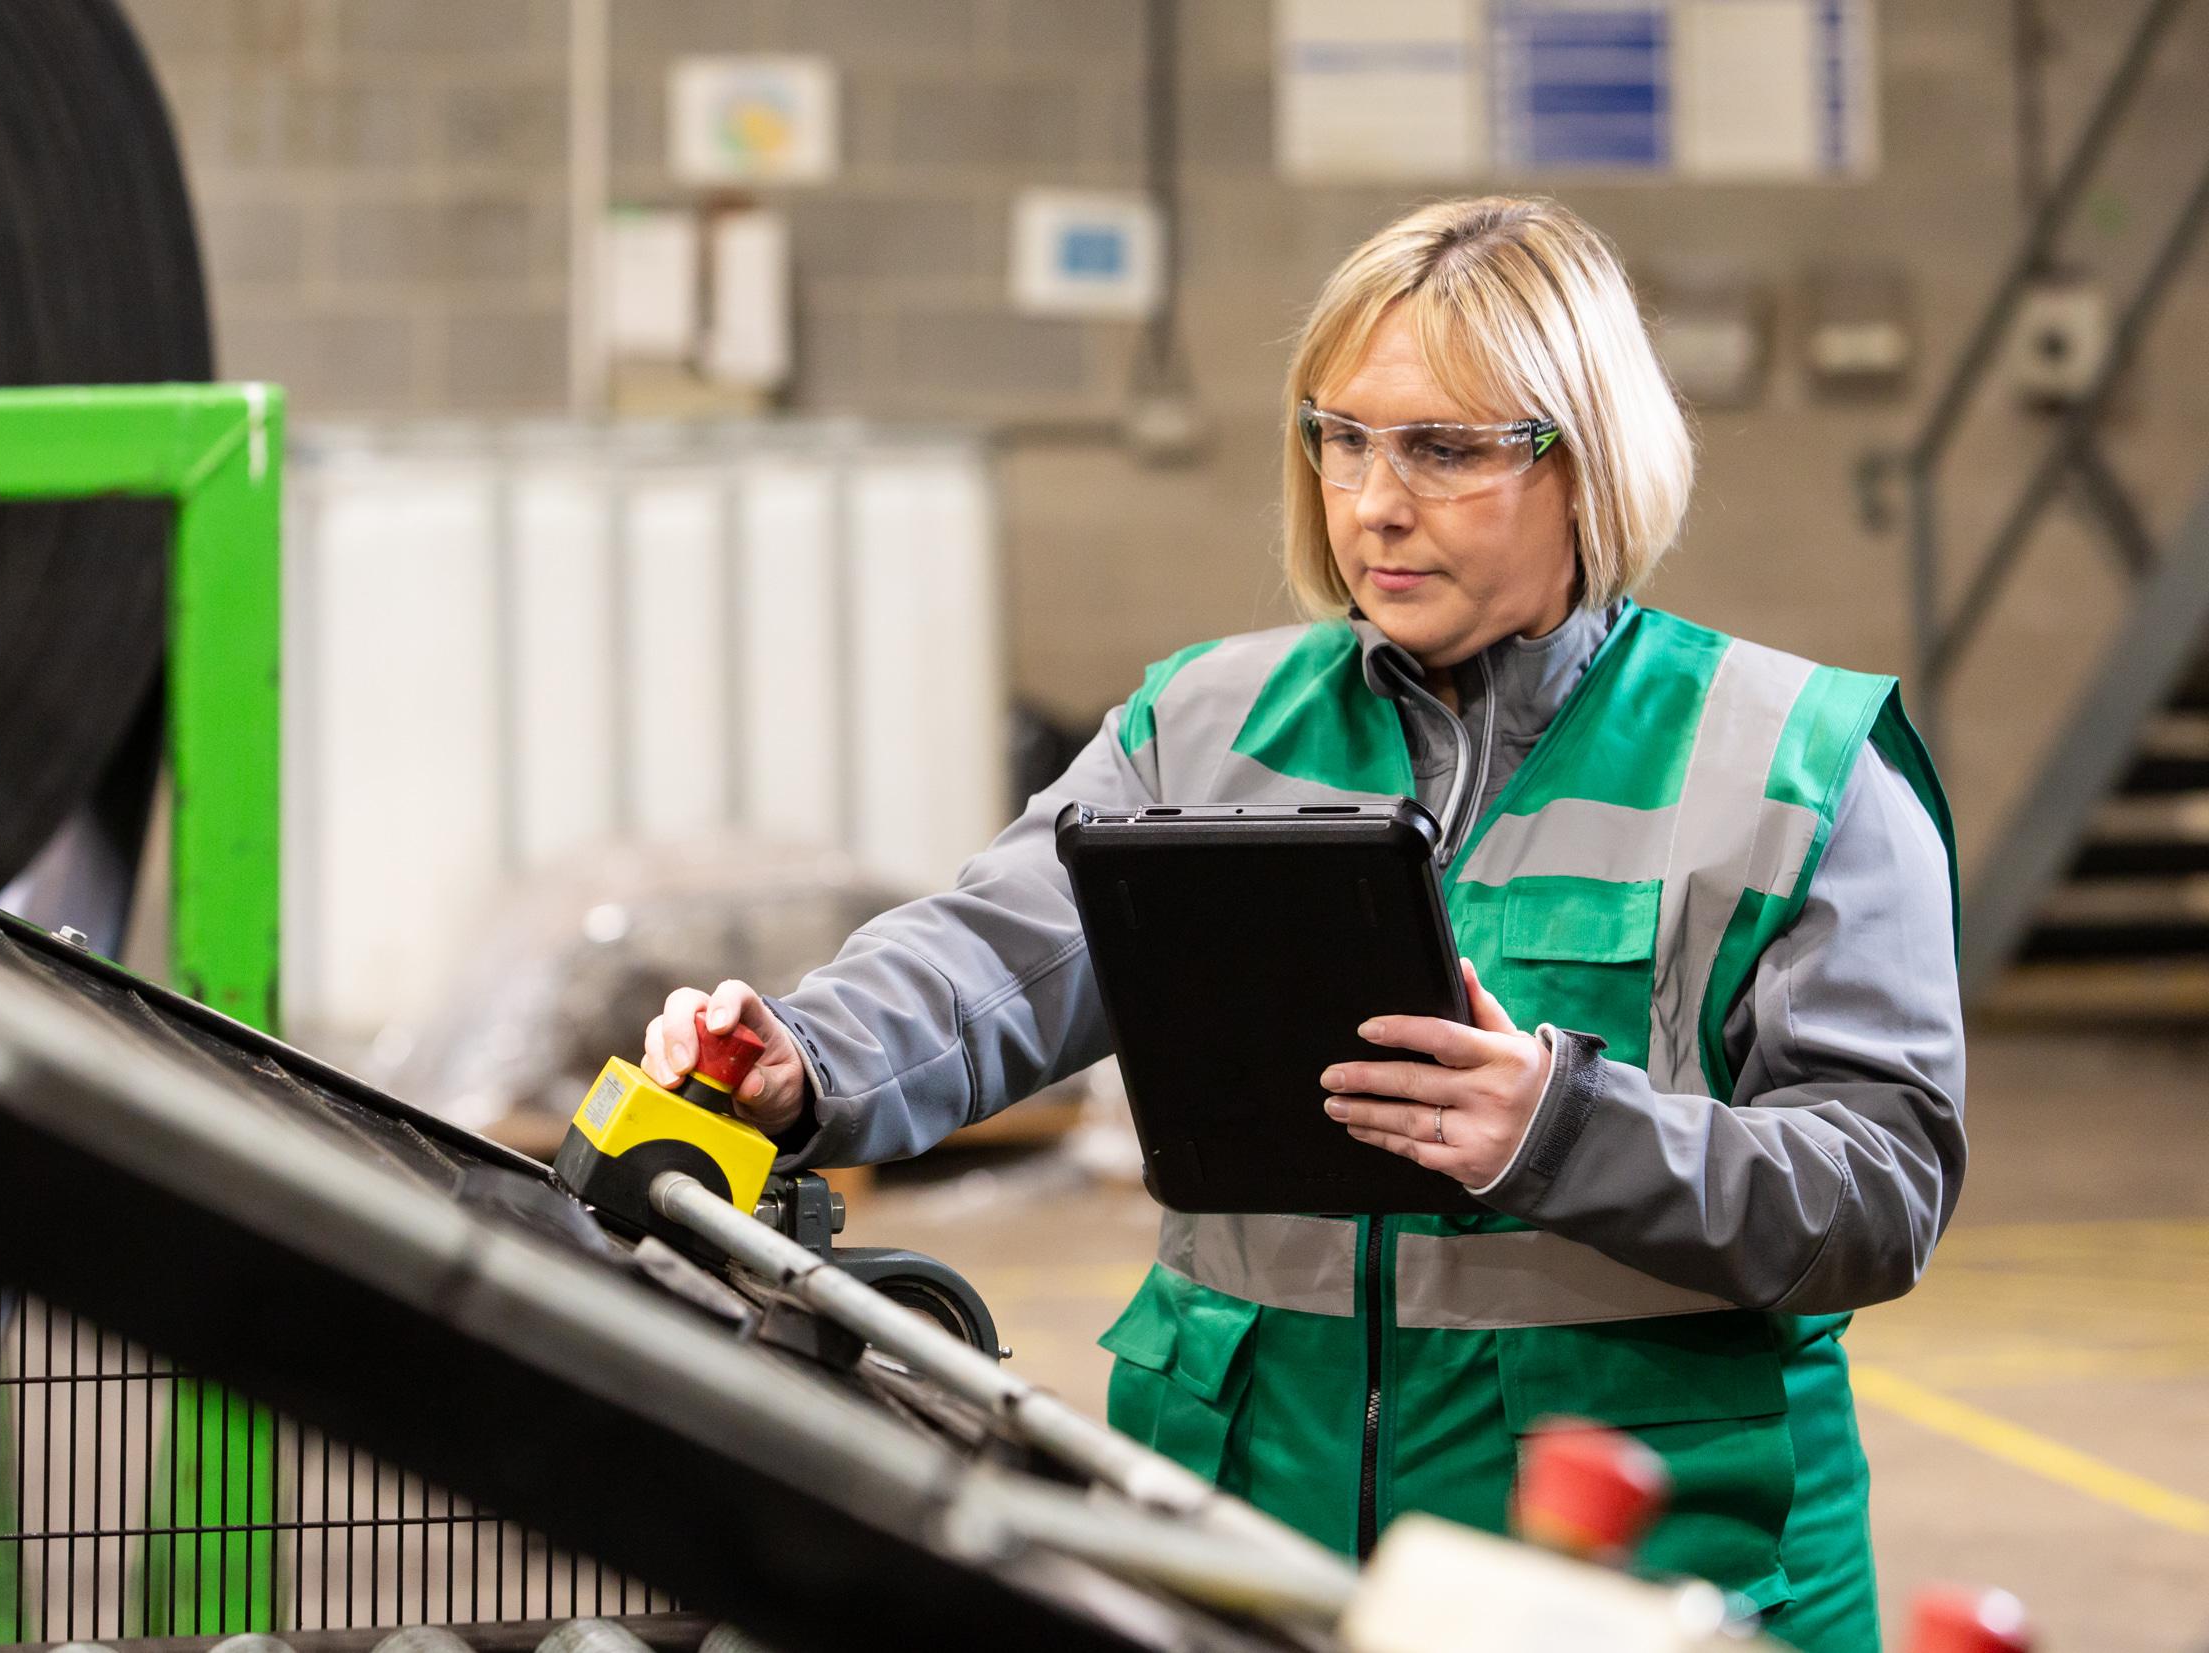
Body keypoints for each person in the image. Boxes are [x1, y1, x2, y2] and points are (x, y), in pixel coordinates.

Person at [642, 196, 1964, 1653]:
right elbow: (994, 953)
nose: (1375, 502)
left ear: (1585, 459)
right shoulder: (1203, 723)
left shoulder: (1797, 762)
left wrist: (1566, 1129)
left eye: (1446, 449)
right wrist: (805, 1054)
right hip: (1242, 1527)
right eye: (1342, 437)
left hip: (1628, 1565)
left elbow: (1879, 1184)